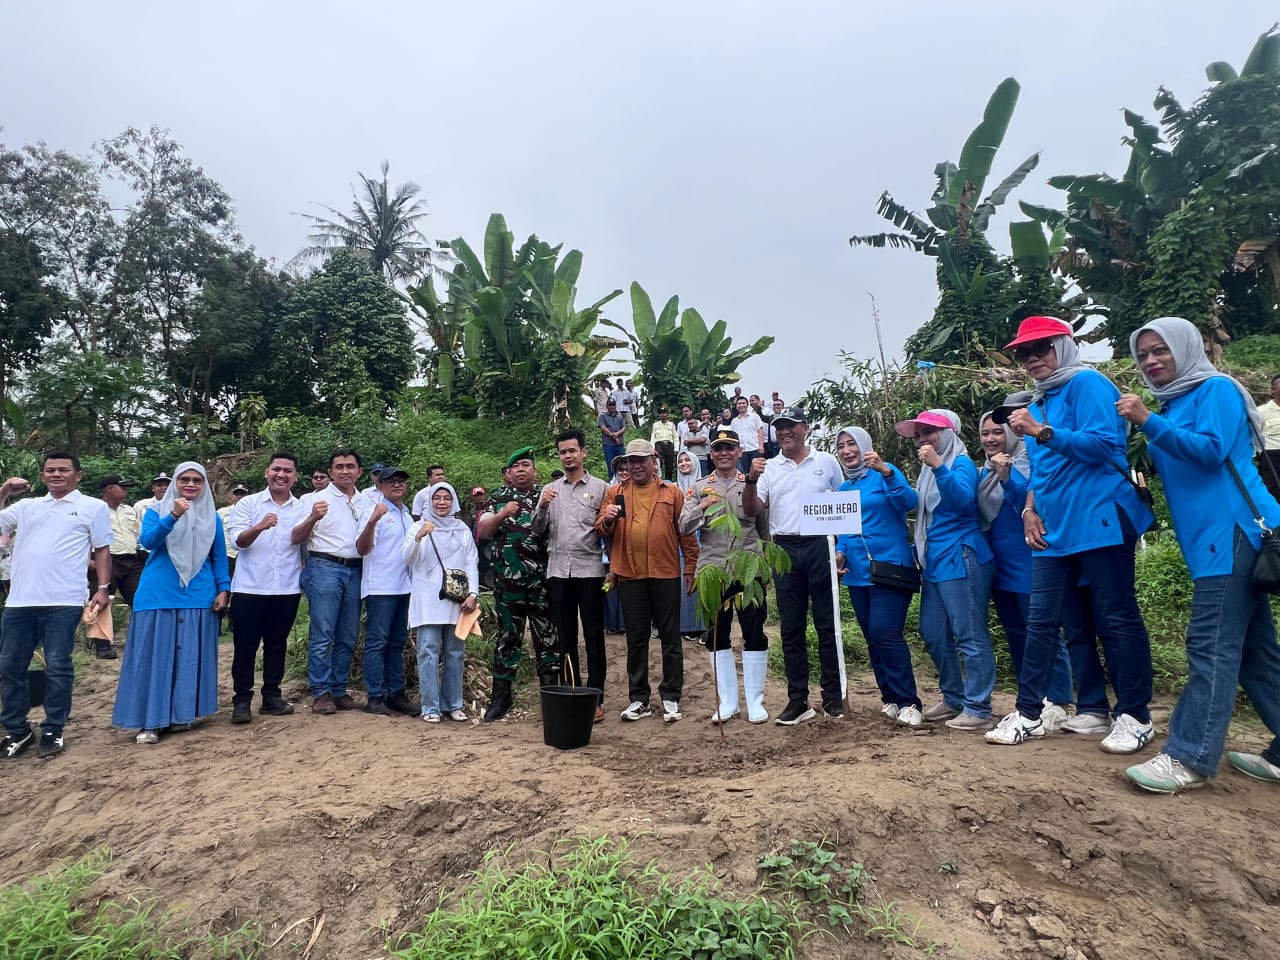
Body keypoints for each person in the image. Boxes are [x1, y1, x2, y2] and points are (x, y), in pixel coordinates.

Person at [1117, 316, 1280, 792]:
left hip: (1233, 532)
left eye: (1161, 350)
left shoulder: (1216, 390)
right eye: (1143, 354)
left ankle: (1188, 756)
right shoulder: (1175, 402)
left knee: (1211, 645)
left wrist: (1148, 420)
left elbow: (1209, 452)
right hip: (1209, 540)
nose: (1151, 361)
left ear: (1186, 348)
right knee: (1254, 653)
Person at [985, 316, 1156, 752]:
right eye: (1023, 352)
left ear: (1063, 345)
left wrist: (1041, 431)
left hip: (1099, 516)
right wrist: (1030, 509)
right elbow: (1043, 469)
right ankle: (1031, 712)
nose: (1032, 358)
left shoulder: (1087, 384)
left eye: (1041, 347)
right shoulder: (1040, 399)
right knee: (1045, 620)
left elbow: (1104, 446)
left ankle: (1135, 715)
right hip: (1055, 525)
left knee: (1116, 618)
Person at [0, 453, 112, 759]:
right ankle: (17, 730)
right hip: (20, 601)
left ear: (78, 475)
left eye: (64, 469)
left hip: (63, 600)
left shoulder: (93, 507)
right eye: (50, 470)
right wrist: (5, 490)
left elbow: (102, 549)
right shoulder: (27, 507)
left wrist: (102, 588)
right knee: (10, 666)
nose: (56, 474)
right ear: (42, 476)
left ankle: (53, 728)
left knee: (58, 665)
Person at [112, 462, 230, 744]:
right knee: (154, 657)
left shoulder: (211, 517)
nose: (190, 484)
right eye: (184, 479)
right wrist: (174, 516)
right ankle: (150, 721)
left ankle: (181, 715)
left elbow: (219, 556)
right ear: (175, 483)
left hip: (198, 593)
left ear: (204, 486)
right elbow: (149, 541)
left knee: (189, 657)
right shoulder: (156, 511)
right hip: (158, 593)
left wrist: (224, 589)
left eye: (197, 481)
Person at [894, 410, 996, 731]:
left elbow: (963, 501)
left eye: (929, 432)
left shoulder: (960, 463)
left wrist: (939, 466)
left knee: (969, 634)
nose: (923, 439)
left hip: (961, 554)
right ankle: (954, 697)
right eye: (919, 435)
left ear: (949, 433)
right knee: (933, 632)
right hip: (935, 560)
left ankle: (978, 706)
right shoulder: (927, 471)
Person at [742, 406, 843, 724]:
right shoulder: (769, 467)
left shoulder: (826, 462)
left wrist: (842, 548)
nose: (784, 431)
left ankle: (833, 697)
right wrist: (751, 479)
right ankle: (798, 699)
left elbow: (843, 503)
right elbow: (752, 509)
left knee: (827, 624)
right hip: (784, 549)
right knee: (791, 627)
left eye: (791, 426)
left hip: (820, 545)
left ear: (805, 428)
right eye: (779, 427)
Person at [977, 412, 1075, 729]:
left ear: (1012, 433)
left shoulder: (1030, 462)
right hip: (999, 562)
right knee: (1017, 633)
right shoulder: (983, 472)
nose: (990, 439)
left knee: (1044, 631)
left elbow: (1029, 504)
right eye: (985, 433)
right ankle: (1030, 697)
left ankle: (1059, 699)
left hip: (1029, 558)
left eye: (997, 432)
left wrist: (1007, 477)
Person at [596, 439, 699, 722]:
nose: (637, 465)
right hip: (630, 575)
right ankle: (639, 699)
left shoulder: (672, 492)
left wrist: (690, 567)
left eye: (642, 460)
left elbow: (686, 532)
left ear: (654, 461)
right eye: (631, 461)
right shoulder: (616, 492)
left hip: (665, 573)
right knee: (636, 639)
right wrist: (607, 518)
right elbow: (601, 530)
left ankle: (671, 696)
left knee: (670, 637)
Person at [832, 426, 923, 727]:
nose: (847, 451)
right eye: (841, 446)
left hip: (890, 567)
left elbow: (909, 502)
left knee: (885, 631)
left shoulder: (884, 473)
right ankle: (890, 698)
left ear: (864, 446)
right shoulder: (843, 488)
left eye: (852, 444)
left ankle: (909, 701)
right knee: (872, 636)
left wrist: (887, 472)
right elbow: (845, 529)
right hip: (857, 572)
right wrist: (840, 553)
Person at [680, 429, 772, 723]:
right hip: (714, 572)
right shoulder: (699, 488)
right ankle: (728, 702)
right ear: (711, 453)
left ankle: (755, 702)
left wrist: (766, 568)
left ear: (738, 451)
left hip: (748, 571)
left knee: (754, 631)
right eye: (718, 448)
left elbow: (764, 529)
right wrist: (702, 508)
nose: (723, 453)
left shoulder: (752, 483)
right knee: (716, 634)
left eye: (729, 448)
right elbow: (683, 526)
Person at [533, 429, 609, 723]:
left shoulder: (601, 488)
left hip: (590, 570)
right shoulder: (550, 490)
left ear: (583, 452)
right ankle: (572, 692)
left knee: (593, 635)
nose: (568, 456)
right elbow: (537, 529)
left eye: (572, 450)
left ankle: (596, 697)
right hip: (558, 572)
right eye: (563, 452)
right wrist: (542, 506)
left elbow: (608, 531)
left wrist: (612, 569)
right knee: (565, 637)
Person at [476, 447, 556, 721]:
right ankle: (501, 699)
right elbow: (483, 531)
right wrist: (502, 514)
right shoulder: (498, 498)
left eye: (526, 465)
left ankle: (551, 698)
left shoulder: (547, 495)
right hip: (508, 584)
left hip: (542, 583)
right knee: (508, 638)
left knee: (547, 638)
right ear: (509, 473)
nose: (521, 470)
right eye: (516, 466)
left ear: (535, 470)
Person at [227, 453, 306, 724]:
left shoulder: (301, 507)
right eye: (276, 469)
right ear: (266, 472)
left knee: (276, 645)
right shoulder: (248, 504)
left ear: (295, 476)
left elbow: (303, 540)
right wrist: (260, 526)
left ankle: (272, 696)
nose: (281, 475)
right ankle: (241, 700)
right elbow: (238, 542)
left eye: (287, 471)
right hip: (250, 587)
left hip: (286, 588)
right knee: (245, 646)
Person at [291, 449, 365, 714]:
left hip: (356, 569)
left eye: (350, 466)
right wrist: (313, 517)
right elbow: (296, 537)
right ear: (331, 472)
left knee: (348, 633)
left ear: (359, 472)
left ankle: (339, 688)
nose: (345, 471)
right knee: (323, 632)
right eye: (339, 467)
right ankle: (321, 692)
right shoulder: (314, 500)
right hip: (324, 566)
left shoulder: (366, 500)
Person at [405, 482, 480, 722]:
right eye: (436, 498)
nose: (441, 502)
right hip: (427, 600)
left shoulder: (461, 529)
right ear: (429, 501)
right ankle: (430, 707)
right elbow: (408, 559)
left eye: (447, 498)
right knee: (428, 651)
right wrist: (419, 537)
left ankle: (453, 704)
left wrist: (473, 594)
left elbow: (471, 561)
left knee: (455, 652)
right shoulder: (418, 527)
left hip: (457, 600)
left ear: (453, 501)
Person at [355, 465, 417, 717]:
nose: (397, 484)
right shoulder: (374, 511)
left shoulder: (407, 514)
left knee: (397, 642)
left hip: (405, 587)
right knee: (377, 642)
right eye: (391, 481)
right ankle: (375, 695)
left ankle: (396, 694)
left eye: (401, 480)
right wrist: (372, 521)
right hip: (381, 587)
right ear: (379, 485)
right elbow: (362, 548)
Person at [86, 474, 144, 659]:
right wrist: (87, 561)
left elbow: (139, 535)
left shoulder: (129, 510)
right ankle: (102, 646)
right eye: (122, 487)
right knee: (101, 601)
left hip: (131, 560)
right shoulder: (93, 509)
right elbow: (80, 536)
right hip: (105, 560)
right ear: (109, 488)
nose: (126, 490)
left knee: (142, 599)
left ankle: (142, 641)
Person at [674, 452, 706, 639]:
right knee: (682, 587)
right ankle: (683, 626)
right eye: (680, 461)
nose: (684, 463)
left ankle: (700, 626)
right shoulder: (673, 488)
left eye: (687, 460)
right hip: (677, 545)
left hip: (701, 543)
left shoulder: (705, 486)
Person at [1256, 374, 1280, 500]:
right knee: (1273, 495)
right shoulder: (1261, 412)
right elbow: (1254, 436)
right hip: (1272, 459)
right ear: (1273, 390)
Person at [218, 484, 248, 582]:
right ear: (232, 496)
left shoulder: (253, 513)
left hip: (244, 554)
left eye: (242, 494)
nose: (239, 496)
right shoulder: (222, 512)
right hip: (227, 553)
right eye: (236, 494)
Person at [731, 397, 766, 475]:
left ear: (747, 405)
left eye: (743, 403)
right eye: (739, 403)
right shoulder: (734, 421)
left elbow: (760, 431)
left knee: (757, 473)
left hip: (755, 449)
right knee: (742, 474)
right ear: (736, 406)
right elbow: (733, 437)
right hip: (741, 451)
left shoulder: (755, 417)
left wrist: (761, 446)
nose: (741, 405)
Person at [598, 399, 626, 479]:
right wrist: (613, 435)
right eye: (610, 405)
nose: (612, 407)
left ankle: (624, 479)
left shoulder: (619, 417)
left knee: (623, 462)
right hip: (608, 445)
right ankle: (612, 481)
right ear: (607, 406)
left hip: (619, 445)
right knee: (610, 463)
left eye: (613, 405)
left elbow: (624, 428)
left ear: (615, 405)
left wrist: (617, 434)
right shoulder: (603, 416)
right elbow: (603, 427)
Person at [650, 407, 678, 481]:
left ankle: (668, 482)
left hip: (669, 445)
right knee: (658, 463)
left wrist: (676, 448)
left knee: (669, 465)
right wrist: (652, 449)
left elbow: (675, 437)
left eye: (664, 413)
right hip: (659, 445)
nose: (662, 415)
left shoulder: (671, 425)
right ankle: (657, 481)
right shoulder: (655, 424)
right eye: (661, 413)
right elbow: (653, 437)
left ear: (667, 414)